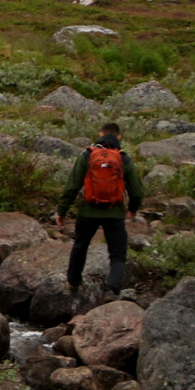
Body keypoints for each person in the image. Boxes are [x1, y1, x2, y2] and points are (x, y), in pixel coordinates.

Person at [55, 121, 144, 298]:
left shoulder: (87, 156)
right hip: (114, 213)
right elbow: (137, 191)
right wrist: (133, 209)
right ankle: (112, 287)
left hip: (88, 211)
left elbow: (72, 186)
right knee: (118, 254)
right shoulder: (124, 159)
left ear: (100, 133)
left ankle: (73, 282)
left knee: (81, 245)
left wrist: (62, 211)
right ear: (119, 137)